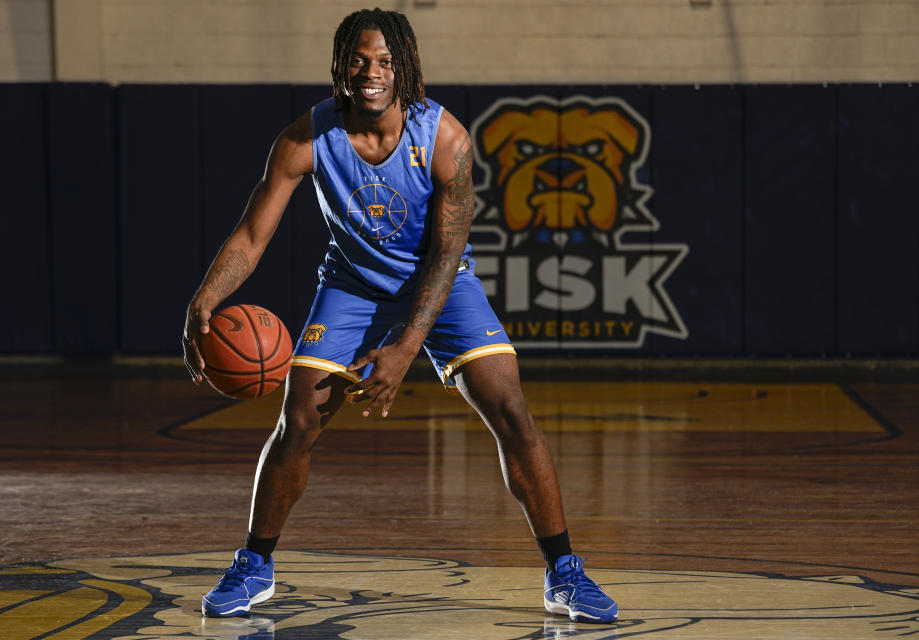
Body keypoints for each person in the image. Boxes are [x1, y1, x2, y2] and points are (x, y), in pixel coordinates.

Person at [181, 8, 618, 624]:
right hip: (353, 285)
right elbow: (252, 236)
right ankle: (254, 565)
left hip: (438, 285)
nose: (372, 73)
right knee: (299, 417)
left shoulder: (446, 140)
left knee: (511, 409)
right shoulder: (303, 141)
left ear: (406, 68)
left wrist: (406, 347)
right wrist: (203, 299)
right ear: (341, 65)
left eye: (386, 61)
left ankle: (564, 572)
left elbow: (445, 255)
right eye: (360, 60)